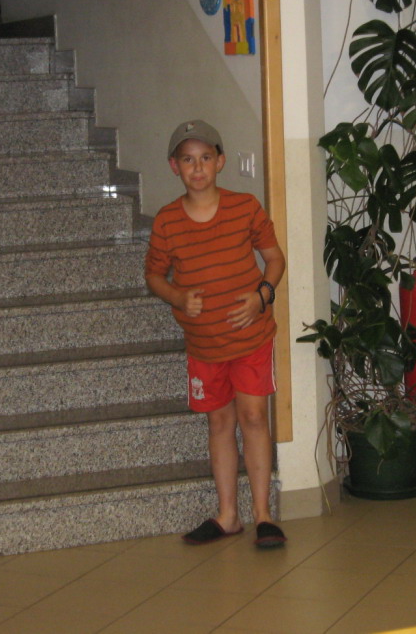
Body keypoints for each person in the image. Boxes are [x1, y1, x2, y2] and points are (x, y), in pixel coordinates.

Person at [145, 120, 287, 548]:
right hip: (204, 348)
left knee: (253, 418)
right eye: (188, 160)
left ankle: (263, 516)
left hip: (251, 340)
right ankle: (228, 516)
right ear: (174, 166)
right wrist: (177, 296)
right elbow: (154, 275)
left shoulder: (245, 207)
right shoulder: (167, 220)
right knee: (220, 422)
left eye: (205, 157)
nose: (198, 167)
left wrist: (261, 297)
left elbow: (275, 259)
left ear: (220, 162)